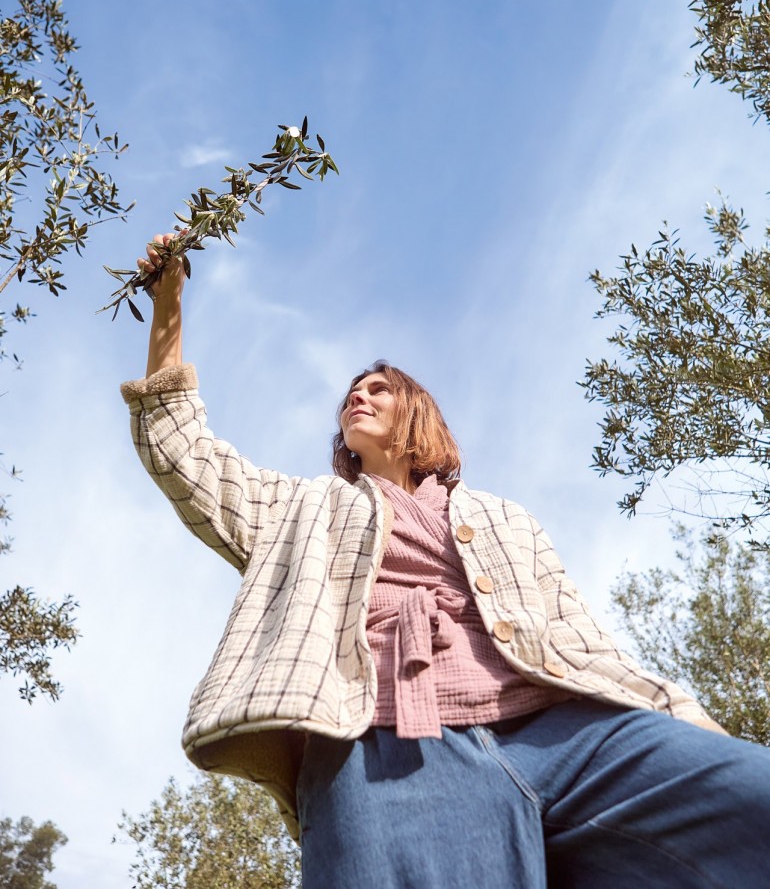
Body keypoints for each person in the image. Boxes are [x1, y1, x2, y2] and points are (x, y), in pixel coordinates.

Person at [121, 234, 770, 889]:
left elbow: (577, 632)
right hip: (390, 747)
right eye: (351, 393)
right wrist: (169, 298)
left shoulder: (503, 516)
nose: (359, 397)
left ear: (417, 413)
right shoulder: (301, 508)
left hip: (571, 732)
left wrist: (661, 711)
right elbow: (182, 450)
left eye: (379, 389)